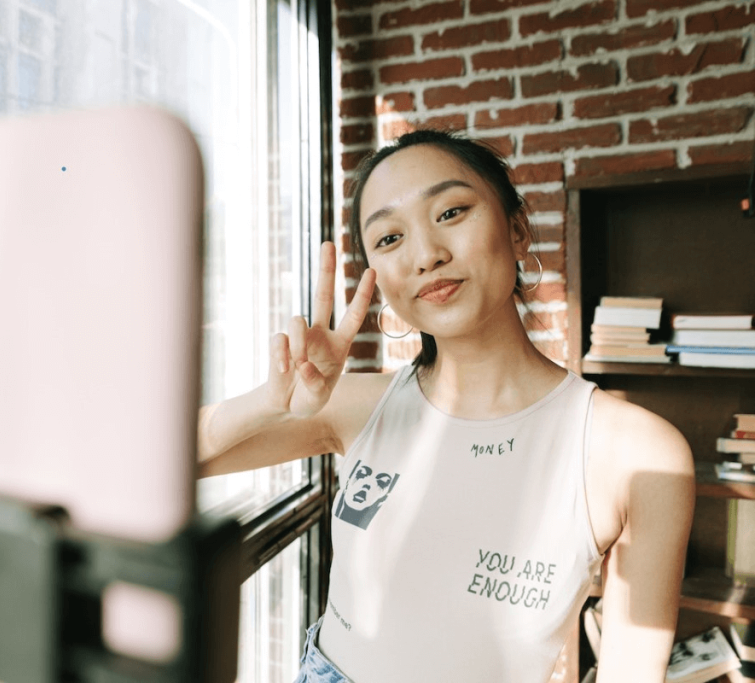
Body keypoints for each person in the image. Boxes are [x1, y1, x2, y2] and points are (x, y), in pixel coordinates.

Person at [197, 129, 694, 682]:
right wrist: (270, 403)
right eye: (388, 239)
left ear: (517, 228)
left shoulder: (639, 453)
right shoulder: (361, 405)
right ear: (379, 283)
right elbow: (155, 466)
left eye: (452, 211)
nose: (426, 256)